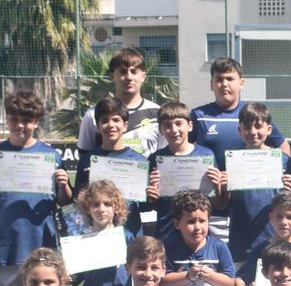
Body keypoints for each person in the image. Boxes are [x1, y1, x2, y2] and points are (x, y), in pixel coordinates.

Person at [0, 90, 67, 286]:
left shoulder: (51, 156)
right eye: (14, 119)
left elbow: (63, 201)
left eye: (27, 120)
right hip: (7, 244)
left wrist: (63, 185)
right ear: (7, 119)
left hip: (42, 242)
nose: (20, 125)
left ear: (36, 122)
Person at [191, 56, 291, 241]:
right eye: (219, 79)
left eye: (230, 79)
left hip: (251, 205)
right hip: (212, 207)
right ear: (211, 84)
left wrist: (276, 177)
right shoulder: (199, 115)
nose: (224, 84)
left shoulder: (252, 114)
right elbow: (186, 151)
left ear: (241, 83)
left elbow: (283, 146)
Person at [212, 101, 291, 267]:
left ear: (269, 129)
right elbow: (221, 205)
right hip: (241, 241)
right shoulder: (231, 160)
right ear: (239, 130)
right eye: (247, 127)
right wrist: (222, 188)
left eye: (258, 126)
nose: (253, 132)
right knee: (241, 283)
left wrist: (290, 190)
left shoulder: (282, 160)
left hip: (274, 240)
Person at [71, 96, 156, 239]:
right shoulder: (87, 160)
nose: (111, 125)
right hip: (96, 236)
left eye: (116, 120)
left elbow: (144, 207)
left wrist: (152, 198)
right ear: (97, 126)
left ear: (125, 125)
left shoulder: (139, 161)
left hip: (129, 235)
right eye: (105, 120)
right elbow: (78, 202)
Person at [161, 189, 235, 286]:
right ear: (177, 223)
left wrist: (210, 276)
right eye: (191, 221)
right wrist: (187, 276)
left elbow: (230, 282)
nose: (197, 227)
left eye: (202, 221)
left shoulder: (219, 247)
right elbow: (164, 281)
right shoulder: (170, 247)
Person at [76, 48, 160, 164]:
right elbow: (85, 156)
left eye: (134, 71)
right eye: (123, 72)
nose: (129, 77)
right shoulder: (93, 114)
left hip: (143, 175)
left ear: (143, 76)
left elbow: (164, 156)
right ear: (112, 77)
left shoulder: (157, 113)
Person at [69, 179, 131, 286]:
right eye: (95, 204)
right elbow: (75, 276)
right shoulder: (81, 240)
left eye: (107, 204)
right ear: (87, 208)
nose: (101, 209)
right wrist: (67, 275)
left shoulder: (126, 236)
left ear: (116, 207)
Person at [148, 99, 216, 225]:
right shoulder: (155, 158)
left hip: (197, 229)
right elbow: (149, 205)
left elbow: (215, 200)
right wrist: (152, 197)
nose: (174, 130)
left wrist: (218, 186)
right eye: (167, 125)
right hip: (166, 229)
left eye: (179, 123)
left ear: (190, 126)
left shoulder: (206, 155)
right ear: (160, 130)